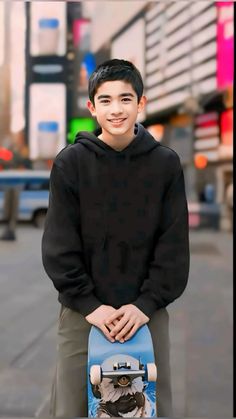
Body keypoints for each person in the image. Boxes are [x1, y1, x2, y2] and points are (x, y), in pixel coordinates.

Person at [42, 58, 190, 417]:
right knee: (72, 407)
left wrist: (145, 304)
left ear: (141, 103)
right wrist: (91, 306)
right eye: (105, 100)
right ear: (92, 107)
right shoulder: (71, 163)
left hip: (146, 313)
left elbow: (173, 248)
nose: (116, 109)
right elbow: (60, 247)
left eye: (125, 99)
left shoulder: (165, 165)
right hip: (83, 312)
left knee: (150, 409)